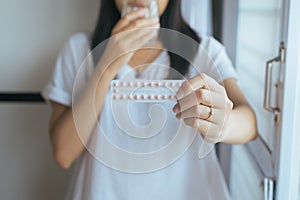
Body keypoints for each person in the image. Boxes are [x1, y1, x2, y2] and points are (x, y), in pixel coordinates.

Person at [42, 0, 257, 199]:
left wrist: (224, 124)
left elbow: (249, 123)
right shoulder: (78, 49)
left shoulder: (205, 50)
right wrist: (107, 65)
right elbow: (64, 153)